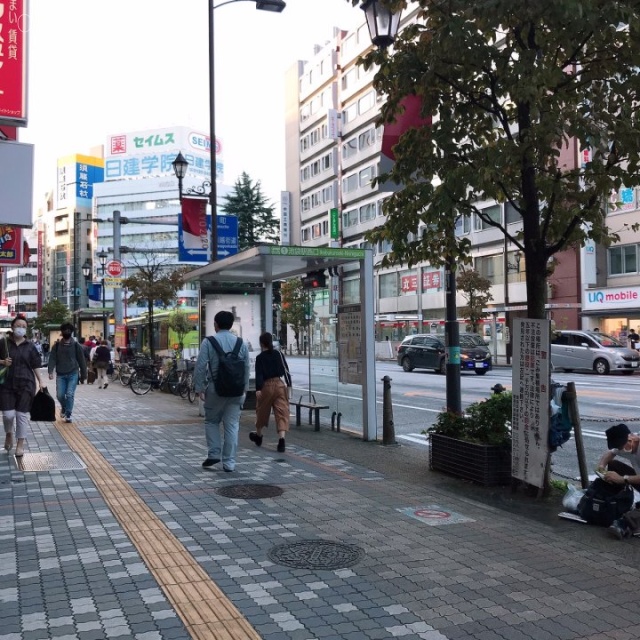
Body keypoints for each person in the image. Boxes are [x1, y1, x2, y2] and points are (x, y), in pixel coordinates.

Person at [193, 310, 250, 472]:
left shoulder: (209, 342)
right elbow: (246, 367)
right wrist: (245, 389)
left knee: (211, 421)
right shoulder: (241, 343)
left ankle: (214, 454)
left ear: (215, 325)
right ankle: (229, 463)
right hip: (236, 392)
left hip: (214, 390)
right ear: (231, 325)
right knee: (232, 425)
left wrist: (199, 388)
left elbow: (200, 367)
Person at [1, 315, 48, 457]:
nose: (20, 328)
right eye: (18, 325)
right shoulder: (3, 343)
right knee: (8, 415)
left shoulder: (30, 346)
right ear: (12, 327)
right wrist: (3, 362)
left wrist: (41, 381)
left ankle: (20, 444)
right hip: (6, 384)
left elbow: (35, 365)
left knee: (21, 415)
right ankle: (9, 433)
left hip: (26, 383)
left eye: (23, 326)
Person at [249, 332, 292, 453]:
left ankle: (258, 435)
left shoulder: (260, 357)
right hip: (279, 385)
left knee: (261, 410)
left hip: (266, 386)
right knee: (282, 412)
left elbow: (259, 374)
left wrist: (258, 389)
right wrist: (289, 385)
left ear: (262, 343)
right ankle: (282, 440)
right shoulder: (279, 354)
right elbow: (286, 370)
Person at [596, 423, 640, 539]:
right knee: (613, 464)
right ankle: (616, 502)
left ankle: (625, 523)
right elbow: (610, 453)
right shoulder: (626, 446)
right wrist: (601, 466)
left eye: (621, 447)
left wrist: (622, 479)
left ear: (630, 439)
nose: (621, 450)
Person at [47, 322, 87, 423]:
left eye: (69, 330)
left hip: (73, 373)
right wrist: (50, 371)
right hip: (60, 374)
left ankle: (68, 413)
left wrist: (83, 375)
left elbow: (82, 360)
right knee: (60, 395)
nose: (67, 332)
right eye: (65, 330)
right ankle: (64, 407)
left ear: (71, 332)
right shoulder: (56, 346)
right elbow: (52, 359)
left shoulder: (76, 345)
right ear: (62, 332)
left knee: (69, 394)